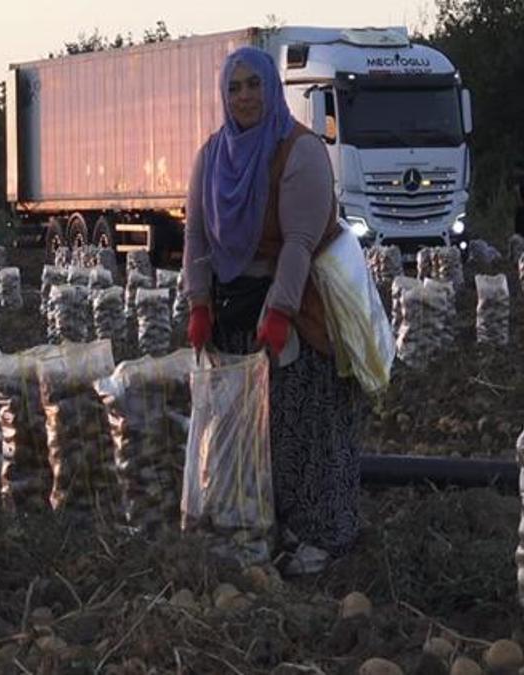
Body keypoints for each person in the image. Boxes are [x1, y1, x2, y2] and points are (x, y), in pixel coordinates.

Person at [182, 47, 364, 574]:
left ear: (271, 89)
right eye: (234, 87)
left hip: (298, 307)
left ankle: (320, 536)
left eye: (253, 85)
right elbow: (196, 236)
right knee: (250, 432)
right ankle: (265, 528)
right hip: (235, 310)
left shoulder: (297, 152)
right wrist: (198, 304)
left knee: (304, 423)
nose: (244, 96)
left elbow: (300, 243)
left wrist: (280, 311)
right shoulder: (212, 155)